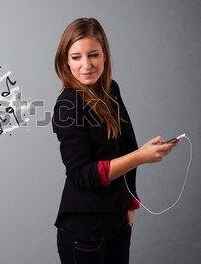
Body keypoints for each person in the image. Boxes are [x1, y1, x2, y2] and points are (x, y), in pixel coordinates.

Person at [52, 18, 179, 264]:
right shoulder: (67, 105)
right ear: (65, 61)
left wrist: (130, 201)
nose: (86, 65)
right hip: (84, 231)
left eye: (93, 55)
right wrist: (141, 157)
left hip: (118, 222)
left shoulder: (112, 90)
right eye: (76, 57)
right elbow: (81, 175)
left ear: (105, 56)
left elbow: (126, 147)